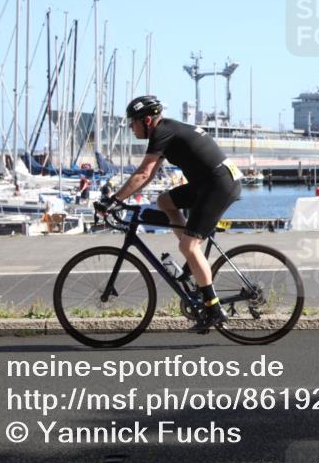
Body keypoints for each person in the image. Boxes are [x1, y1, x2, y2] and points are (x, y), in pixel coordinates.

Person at [99, 95, 242, 332]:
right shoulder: (166, 131)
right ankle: (191, 264)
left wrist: (114, 200)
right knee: (165, 201)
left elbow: (144, 174)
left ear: (146, 120)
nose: (130, 127)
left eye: (132, 122)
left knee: (189, 246)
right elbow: (151, 173)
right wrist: (118, 199)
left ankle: (214, 309)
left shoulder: (162, 132)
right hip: (209, 182)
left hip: (218, 184)